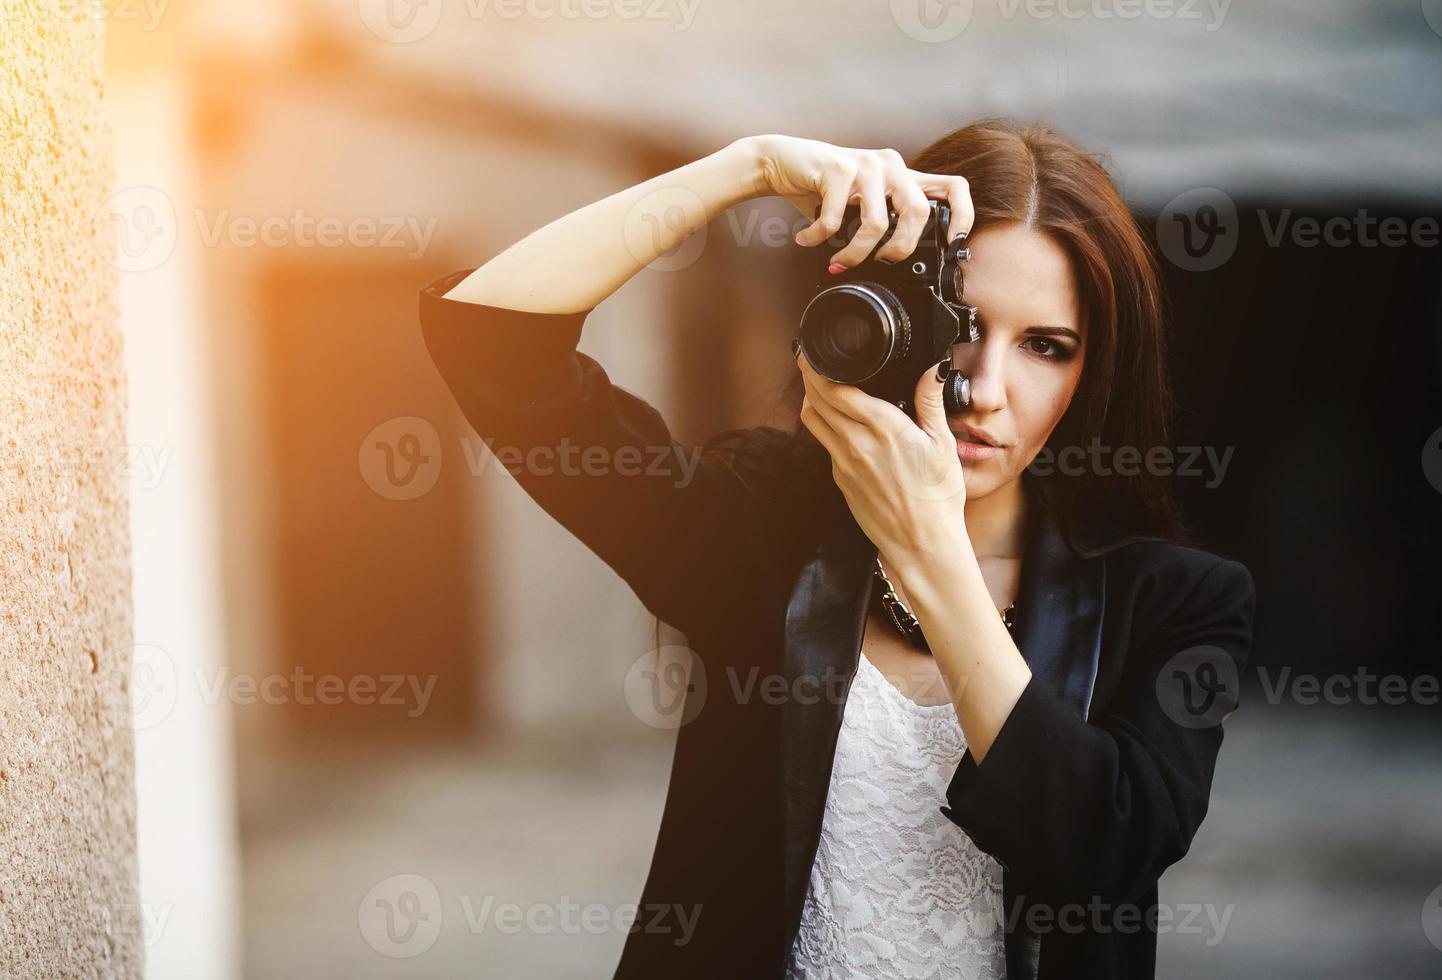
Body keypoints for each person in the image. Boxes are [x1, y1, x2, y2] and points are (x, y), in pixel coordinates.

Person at [418, 120, 1256, 979]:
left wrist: (930, 549)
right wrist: (748, 167)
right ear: (891, 316)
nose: (986, 390)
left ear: (1093, 375)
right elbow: (488, 338)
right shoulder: (763, 526)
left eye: (1046, 347)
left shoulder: (1178, 602)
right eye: (963, 324)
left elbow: (1101, 852)